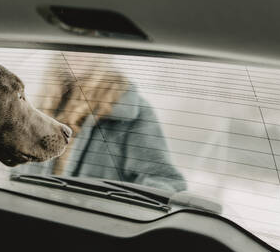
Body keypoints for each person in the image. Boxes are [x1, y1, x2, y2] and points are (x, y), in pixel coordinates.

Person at [15, 54, 186, 193]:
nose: (77, 52)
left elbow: (165, 181)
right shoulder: (40, 102)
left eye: (86, 45)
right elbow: (16, 170)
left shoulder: (130, 108)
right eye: (72, 44)